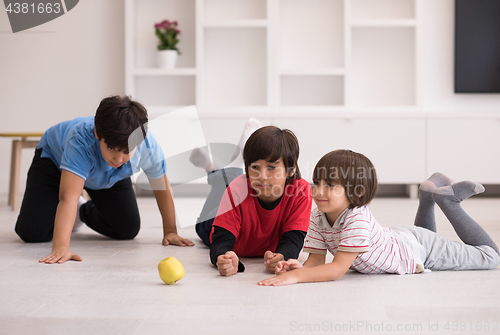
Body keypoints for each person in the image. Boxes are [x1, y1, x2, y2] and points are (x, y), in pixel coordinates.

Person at [258, 149, 500, 286]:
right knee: (426, 238)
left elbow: (336, 270)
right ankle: (427, 195)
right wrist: (296, 267)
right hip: (404, 241)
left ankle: (448, 202)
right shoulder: (318, 215)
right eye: (317, 183)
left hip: (419, 248)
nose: (319, 191)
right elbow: (316, 263)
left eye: (330, 185)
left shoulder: (356, 220)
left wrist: (298, 277)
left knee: (490, 257)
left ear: (357, 193)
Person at [15, 95, 194, 264]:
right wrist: (62, 248)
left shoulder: (147, 146)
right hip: (54, 163)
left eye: (126, 152)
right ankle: (68, 206)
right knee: (33, 233)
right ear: (97, 133)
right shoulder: (80, 141)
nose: (117, 159)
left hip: (108, 176)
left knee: (127, 229)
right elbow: (68, 198)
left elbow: (162, 188)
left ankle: (82, 210)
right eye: (111, 148)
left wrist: (170, 231)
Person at [191, 122, 312, 276]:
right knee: (206, 218)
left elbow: (294, 239)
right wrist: (224, 257)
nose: (262, 176)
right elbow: (221, 241)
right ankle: (217, 167)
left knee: (231, 181)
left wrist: (282, 256)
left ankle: (221, 167)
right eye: (255, 167)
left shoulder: (301, 190)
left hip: (241, 195)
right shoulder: (238, 188)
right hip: (214, 221)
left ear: (291, 169)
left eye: (271, 167)